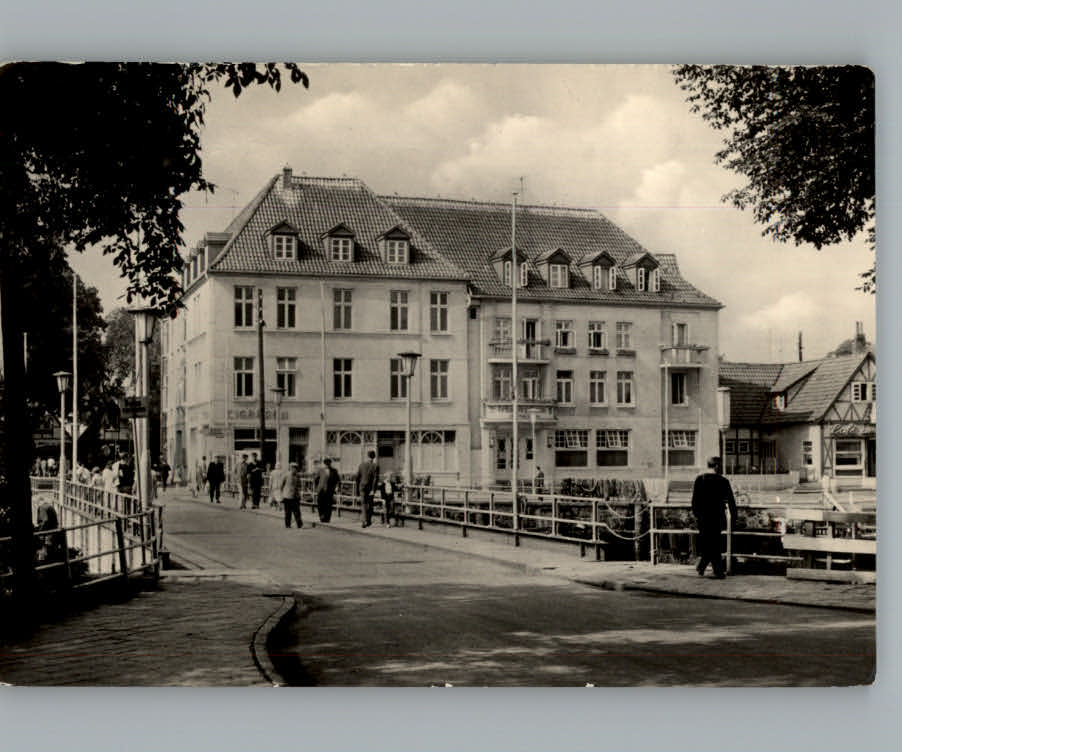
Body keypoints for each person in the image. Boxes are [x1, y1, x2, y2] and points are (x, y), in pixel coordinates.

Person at [691, 456, 738, 579]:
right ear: (717, 466)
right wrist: (734, 517)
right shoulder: (723, 481)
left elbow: (694, 502)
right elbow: (731, 502)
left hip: (703, 518)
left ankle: (702, 566)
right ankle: (718, 571)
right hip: (717, 517)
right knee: (715, 543)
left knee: (708, 543)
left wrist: (698, 515)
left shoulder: (699, 480)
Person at [355, 450, 380, 528]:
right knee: (370, 504)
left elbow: (357, 477)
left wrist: (357, 488)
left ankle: (364, 521)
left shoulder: (361, 465)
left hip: (362, 487)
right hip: (370, 488)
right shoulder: (376, 466)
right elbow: (375, 479)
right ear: (374, 457)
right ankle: (368, 520)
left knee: (363, 504)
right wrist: (373, 490)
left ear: (367, 456)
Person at [314, 458, 341, 523]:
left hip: (329, 490)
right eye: (326, 463)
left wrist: (336, 487)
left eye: (328, 463)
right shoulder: (320, 470)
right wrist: (318, 487)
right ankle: (321, 516)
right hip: (321, 490)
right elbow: (316, 479)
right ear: (324, 464)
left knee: (328, 504)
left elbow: (338, 480)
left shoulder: (334, 471)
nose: (327, 465)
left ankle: (327, 518)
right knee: (320, 504)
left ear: (330, 463)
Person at [280, 462, 303, 529]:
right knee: (288, 512)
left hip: (295, 496)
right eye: (293, 468)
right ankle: (287, 524)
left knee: (297, 511)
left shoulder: (297, 476)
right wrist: (282, 494)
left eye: (296, 468)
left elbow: (299, 485)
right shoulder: (286, 475)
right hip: (287, 496)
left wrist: (299, 493)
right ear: (290, 468)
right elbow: (282, 485)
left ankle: (299, 524)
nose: (295, 469)